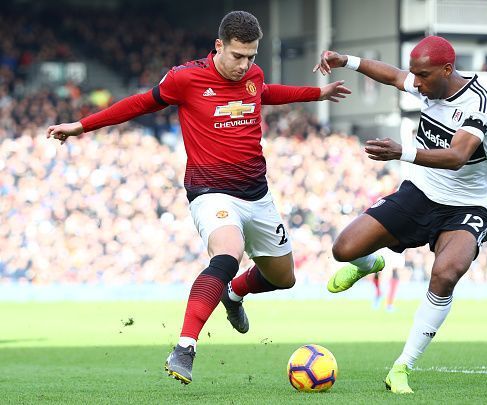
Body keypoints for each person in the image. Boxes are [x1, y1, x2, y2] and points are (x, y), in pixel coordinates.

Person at [47, 10, 351, 385]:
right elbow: (140, 103)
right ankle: (185, 347)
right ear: (219, 46)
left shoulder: (252, 76)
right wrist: (81, 126)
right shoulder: (185, 78)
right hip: (210, 192)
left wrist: (316, 93)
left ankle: (234, 294)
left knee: (284, 278)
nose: (245, 65)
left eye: (252, 56)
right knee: (226, 255)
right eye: (238, 56)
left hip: (257, 195)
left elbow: (265, 92)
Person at [314, 35, 487, 394]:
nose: (414, 82)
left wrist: (402, 153)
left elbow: (457, 156)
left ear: (447, 70)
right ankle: (369, 263)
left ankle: (402, 367)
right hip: (421, 193)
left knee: (446, 273)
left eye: (422, 75)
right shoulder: (426, 85)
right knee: (344, 249)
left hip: (471, 205)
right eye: (414, 75)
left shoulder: (481, 101)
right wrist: (346, 60)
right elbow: (390, 75)